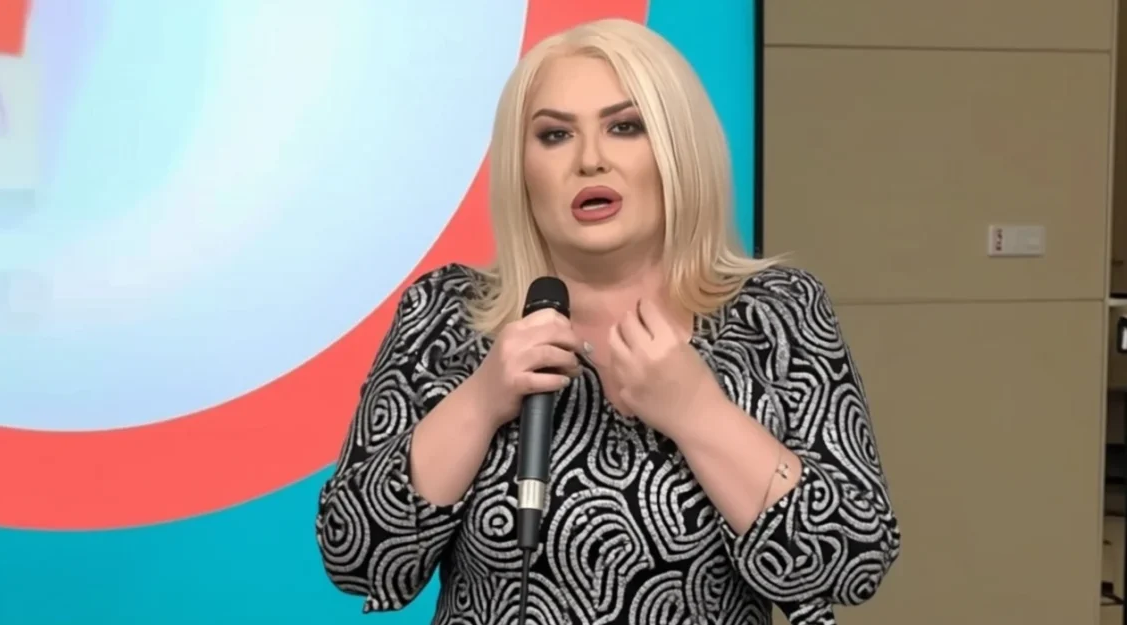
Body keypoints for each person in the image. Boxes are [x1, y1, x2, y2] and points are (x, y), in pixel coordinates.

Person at [314, 18, 900, 625]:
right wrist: (481, 400)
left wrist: (698, 413)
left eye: (625, 127)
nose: (590, 160)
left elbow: (852, 562)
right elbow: (358, 559)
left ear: (677, 148)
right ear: (521, 169)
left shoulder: (774, 311)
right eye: (554, 135)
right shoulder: (446, 312)